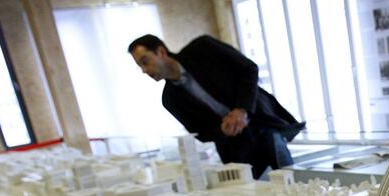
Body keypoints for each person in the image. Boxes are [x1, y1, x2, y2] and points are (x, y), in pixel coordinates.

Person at [128, 34, 304, 179]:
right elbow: (200, 133)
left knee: (291, 181)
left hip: (262, 123)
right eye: (139, 66)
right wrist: (223, 129)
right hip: (233, 148)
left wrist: (241, 109)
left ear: (161, 52)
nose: (144, 70)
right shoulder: (170, 100)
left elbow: (249, 69)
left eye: (145, 61)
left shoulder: (203, 48)